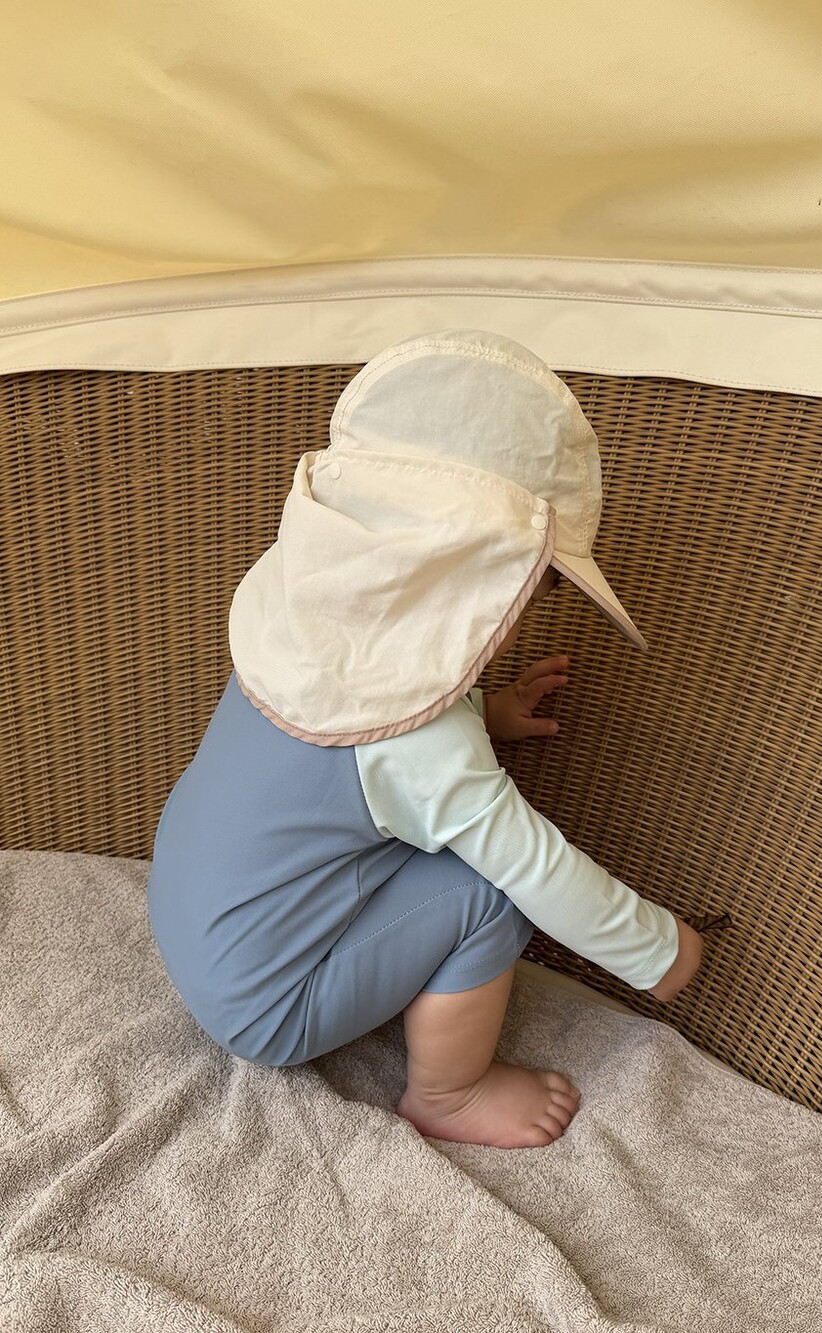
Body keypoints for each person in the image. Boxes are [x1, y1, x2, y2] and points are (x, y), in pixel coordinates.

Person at [146, 329, 703, 1150]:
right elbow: (536, 866)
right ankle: (451, 1091)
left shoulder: (293, 605)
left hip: (180, 902)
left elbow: (381, 699)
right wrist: (660, 950)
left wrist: (487, 712)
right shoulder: (425, 747)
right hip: (264, 1008)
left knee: (384, 831)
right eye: (534, 586)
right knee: (491, 890)